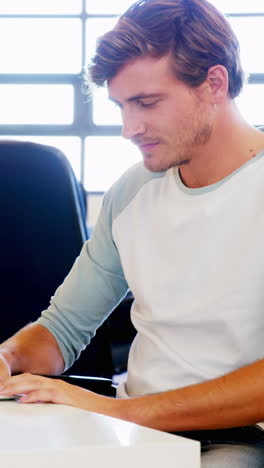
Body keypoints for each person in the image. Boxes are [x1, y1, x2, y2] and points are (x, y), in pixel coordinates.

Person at [1, 0, 264, 465]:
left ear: (214, 84)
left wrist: (124, 412)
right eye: (121, 105)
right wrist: (8, 357)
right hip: (131, 430)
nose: (128, 128)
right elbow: (61, 329)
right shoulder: (134, 189)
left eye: (146, 103)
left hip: (236, 437)